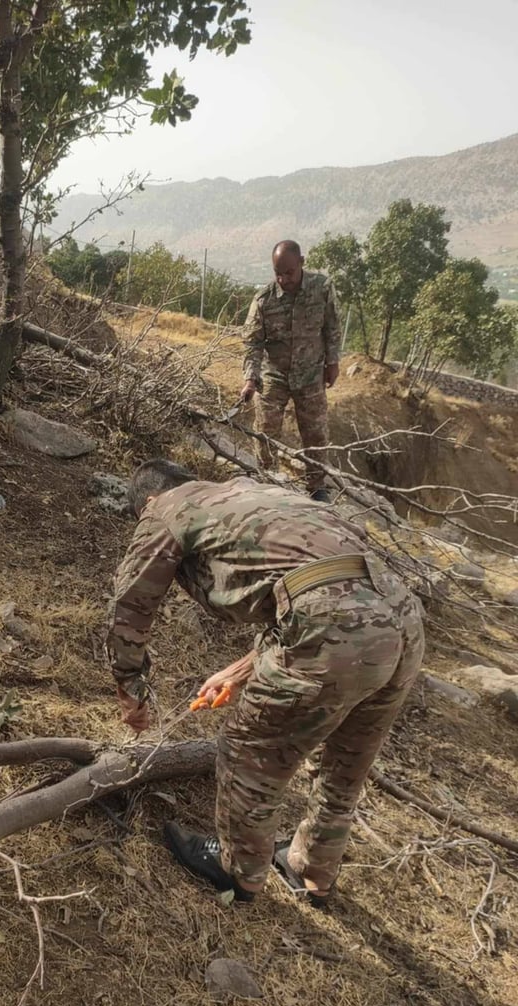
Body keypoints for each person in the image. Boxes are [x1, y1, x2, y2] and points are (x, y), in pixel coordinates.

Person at [106, 459, 424, 908]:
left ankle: (238, 871)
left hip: (332, 624)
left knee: (246, 749)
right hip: (402, 618)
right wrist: (241, 671)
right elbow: (326, 582)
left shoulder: (165, 509)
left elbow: (132, 603)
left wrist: (129, 686)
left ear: (149, 501)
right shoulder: (253, 494)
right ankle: (311, 867)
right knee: (346, 759)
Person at [241, 240, 341, 503]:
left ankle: (318, 487)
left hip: (310, 374)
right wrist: (251, 378)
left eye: (288, 272)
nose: (283, 279)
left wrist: (333, 362)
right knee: (265, 429)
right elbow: (252, 342)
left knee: (315, 432)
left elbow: (332, 326)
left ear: (302, 263)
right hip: (274, 374)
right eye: (278, 273)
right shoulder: (264, 300)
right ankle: (266, 481)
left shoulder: (322, 288)